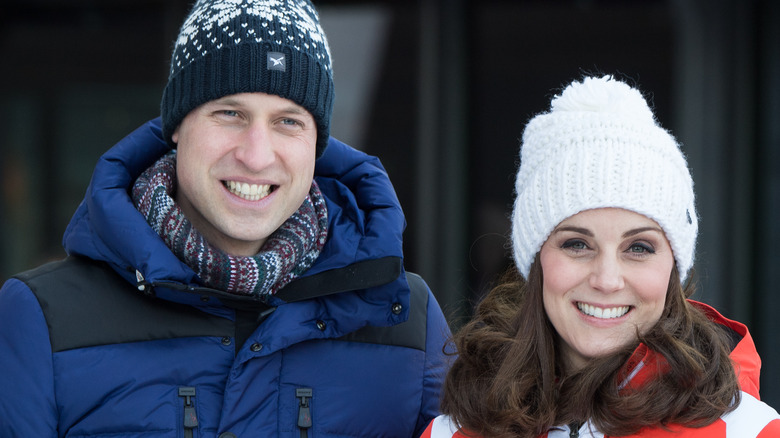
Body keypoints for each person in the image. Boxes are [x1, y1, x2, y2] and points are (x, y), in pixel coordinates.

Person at [0, 0, 450, 436]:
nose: (256, 156)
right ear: (175, 125)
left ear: (317, 143)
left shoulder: (408, 320)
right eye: (229, 113)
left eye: (288, 121)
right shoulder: (42, 320)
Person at [422, 76, 780, 438]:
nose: (607, 280)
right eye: (577, 244)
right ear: (536, 259)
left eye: (638, 248)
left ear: (673, 266)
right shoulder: (451, 431)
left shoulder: (750, 430)